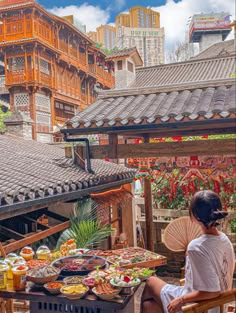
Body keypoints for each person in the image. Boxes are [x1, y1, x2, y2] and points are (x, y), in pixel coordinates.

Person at [141, 190, 235, 313]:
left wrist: (180, 300)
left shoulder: (197, 247)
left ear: (194, 217)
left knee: (150, 282)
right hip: (217, 305)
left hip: (197, 306)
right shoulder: (224, 239)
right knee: (149, 305)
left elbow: (212, 291)